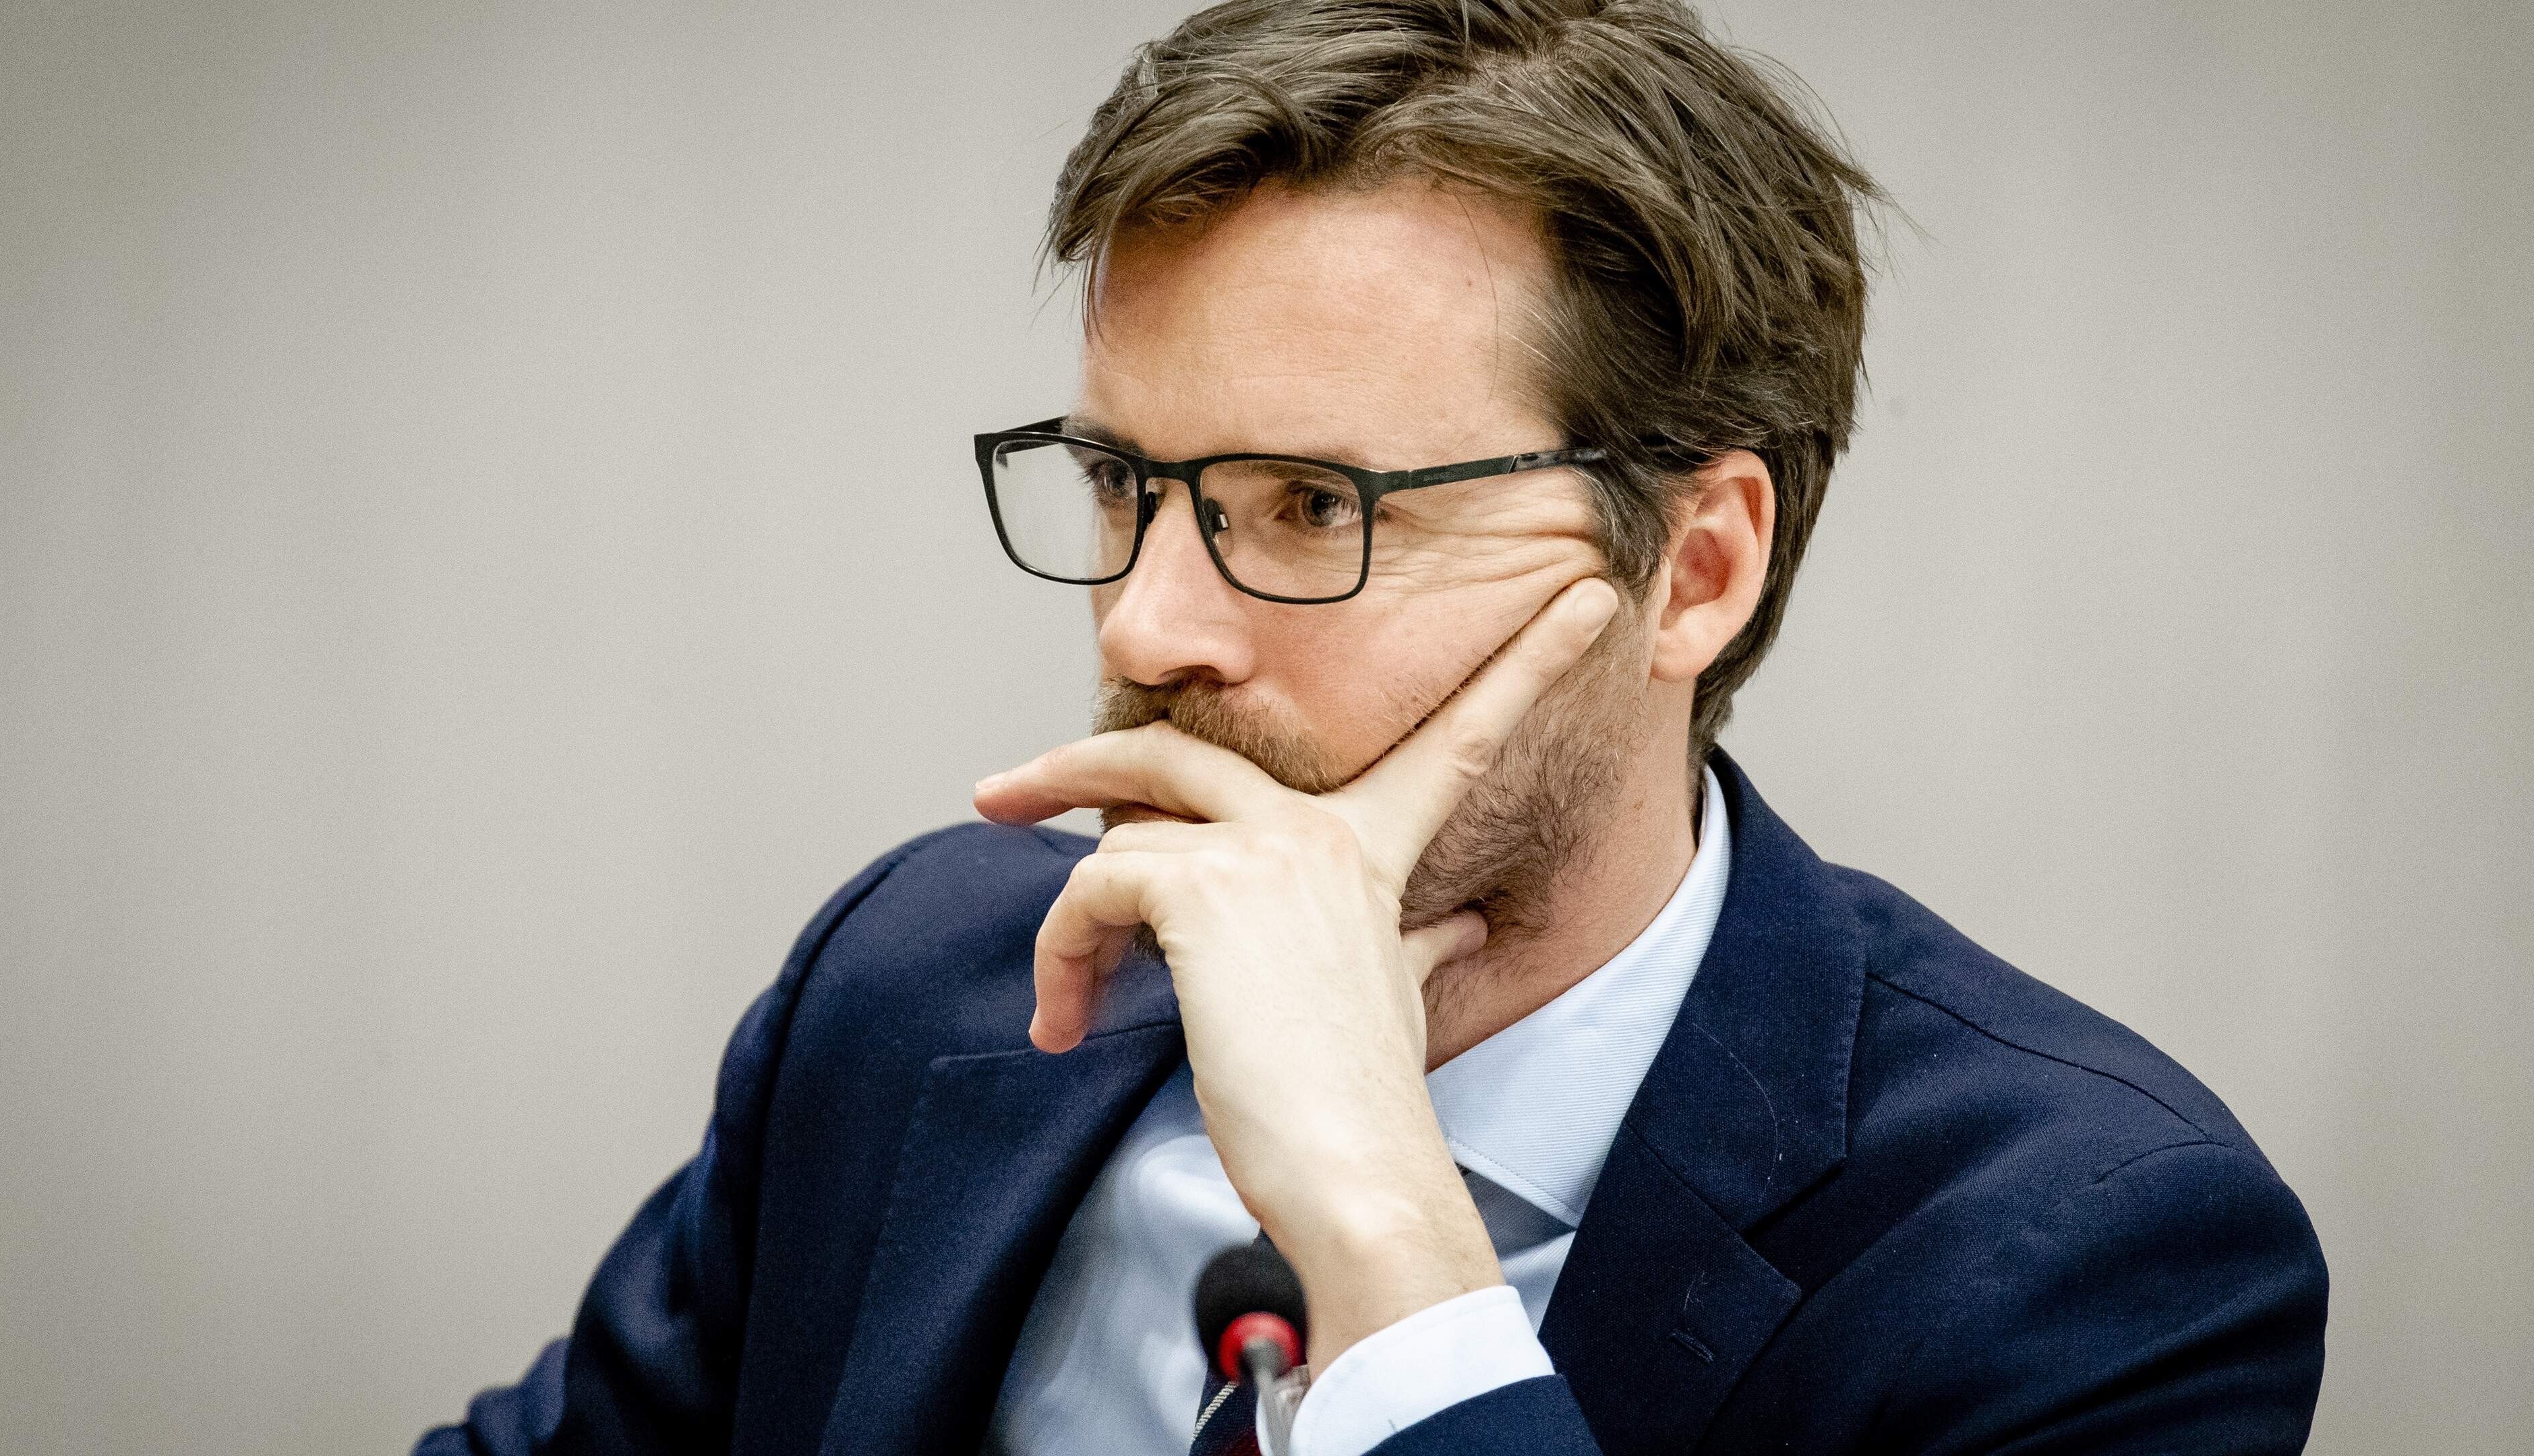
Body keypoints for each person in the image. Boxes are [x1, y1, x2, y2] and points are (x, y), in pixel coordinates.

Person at [417, 3, 2328, 1453]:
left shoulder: (2089, 1257)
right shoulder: (916, 988)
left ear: (1695, 571)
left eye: (1313, 507)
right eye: (1123, 484)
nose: (1146, 624)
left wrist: (1385, 1231)